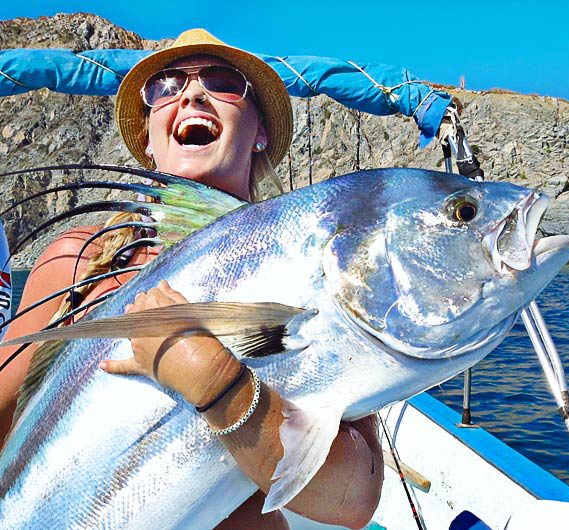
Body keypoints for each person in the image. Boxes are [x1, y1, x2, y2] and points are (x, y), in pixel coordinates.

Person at [0, 29, 383, 528]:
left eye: (223, 83)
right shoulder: (79, 259)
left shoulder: (309, 269)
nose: (192, 94)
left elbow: (350, 502)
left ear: (260, 132)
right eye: (165, 86)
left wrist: (217, 383)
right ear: (149, 140)